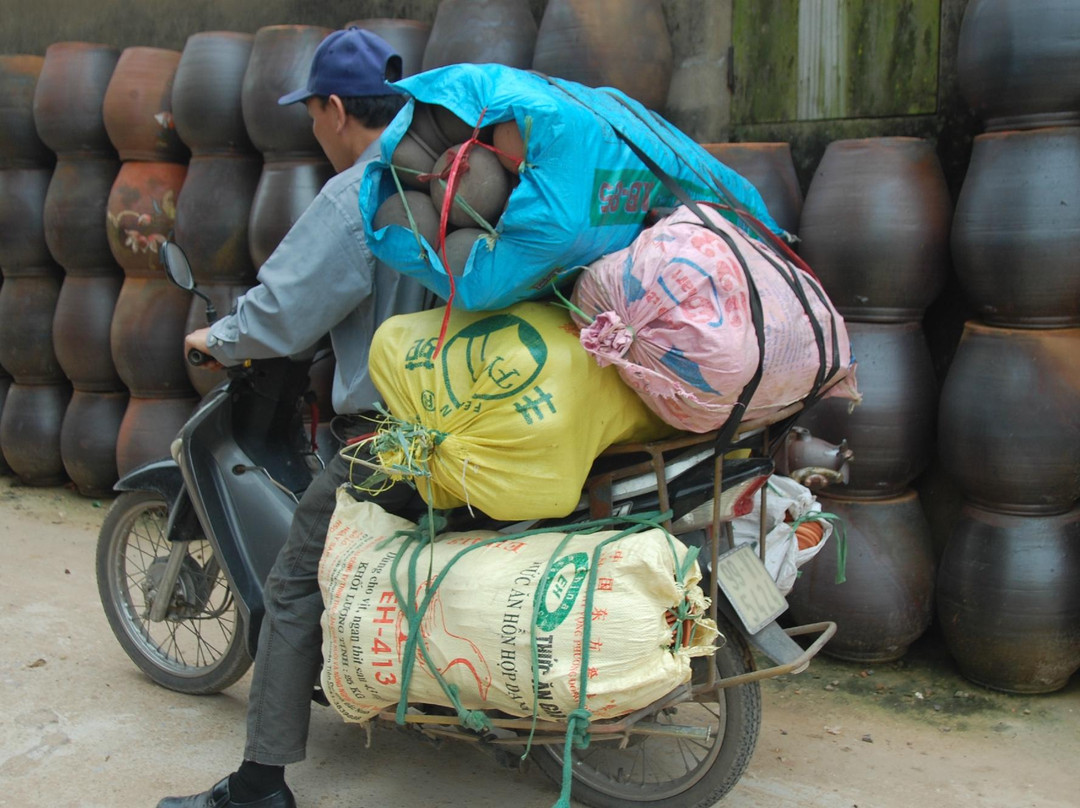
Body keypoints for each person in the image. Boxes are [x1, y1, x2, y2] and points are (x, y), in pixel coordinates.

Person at [157, 28, 430, 808]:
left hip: (391, 437)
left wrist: (220, 336)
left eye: (311, 113)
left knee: (291, 587)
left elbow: (282, 312)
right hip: (479, 425)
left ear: (336, 109)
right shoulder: (447, 175)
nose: (312, 128)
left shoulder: (358, 194)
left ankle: (258, 785)